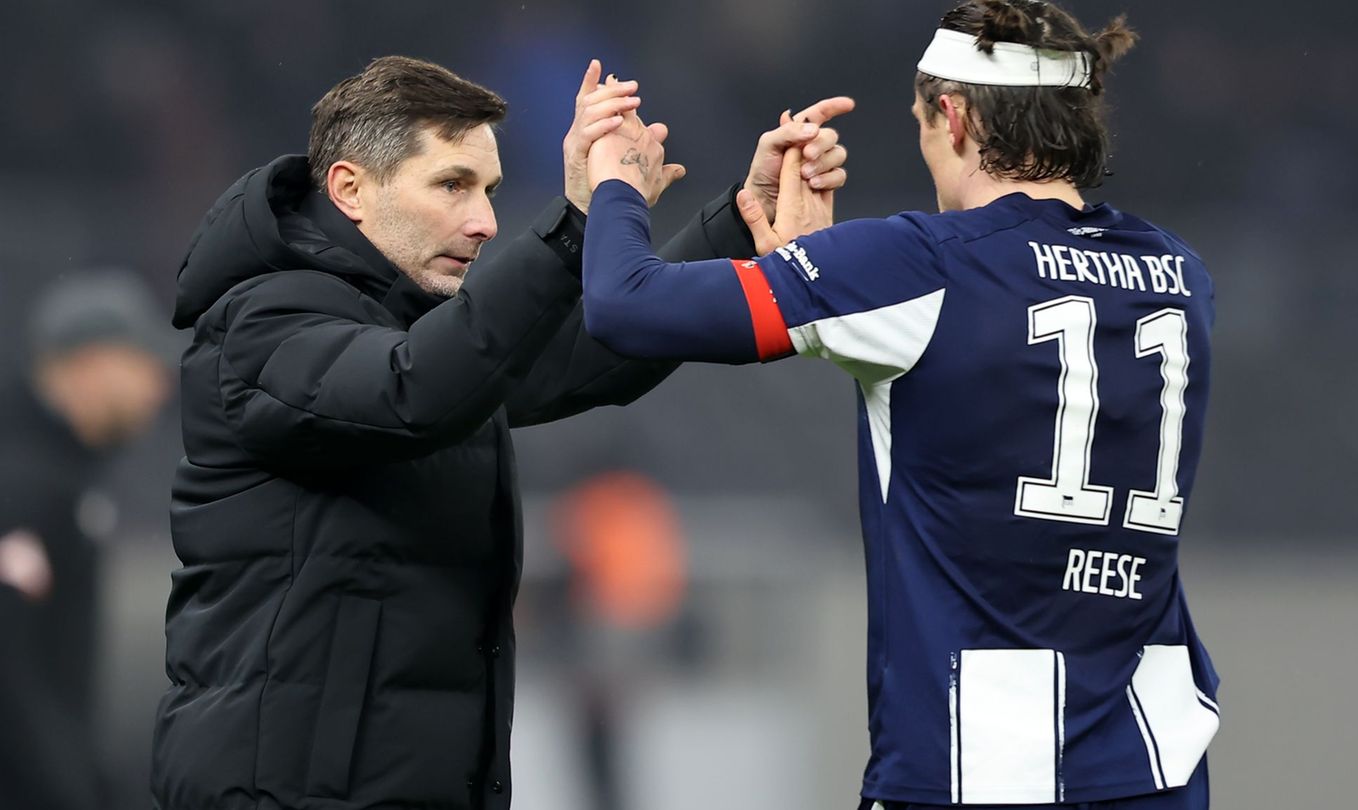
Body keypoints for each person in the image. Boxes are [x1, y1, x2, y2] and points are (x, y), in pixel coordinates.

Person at [149, 54, 851, 810]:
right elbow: (412, 389)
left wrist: (737, 223)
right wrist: (573, 226)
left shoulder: (415, 326)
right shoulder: (262, 321)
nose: (484, 220)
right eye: (452, 185)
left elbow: (587, 357)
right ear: (350, 189)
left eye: (488, 190)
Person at [581, 1, 1219, 807]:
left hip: (976, 768)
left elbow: (624, 304)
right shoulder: (1180, 275)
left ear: (954, 116)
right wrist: (820, 277)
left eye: (922, 123)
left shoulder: (919, 264)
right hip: (1154, 763)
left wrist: (616, 182)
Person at [0, 269, 174, 810]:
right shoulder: (21, 482)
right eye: (143, 363)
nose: (159, 387)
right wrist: (67, 791)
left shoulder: (64, 475)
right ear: (90, 364)